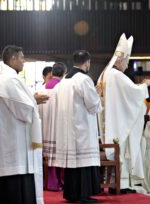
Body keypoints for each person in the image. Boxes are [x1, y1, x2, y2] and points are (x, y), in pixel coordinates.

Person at [97, 33, 150, 192]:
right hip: (117, 124)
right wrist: (145, 86)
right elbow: (133, 95)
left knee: (122, 149)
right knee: (123, 148)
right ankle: (121, 185)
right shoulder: (116, 75)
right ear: (120, 59)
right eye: (127, 61)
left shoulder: (106, 74)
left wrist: (139, 87)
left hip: (110, 123)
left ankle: (121, 183)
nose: (128, 65)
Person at [0, 45, 43, 204]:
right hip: (15, 142)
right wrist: (35, 101)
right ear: (12, 58)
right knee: (17, 180)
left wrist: (32, 100)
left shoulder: (8, 77)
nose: (23, 61)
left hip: (14, 138)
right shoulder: (9, 79)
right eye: (21, 58)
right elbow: (23, 109)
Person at [55, 50, 102, 203]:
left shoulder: (64, 81)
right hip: (82, 129)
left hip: (68, 130)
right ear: (87, 62)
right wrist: (98, 94)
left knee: (73, 164)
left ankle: (71, 193)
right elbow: (93, 105)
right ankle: (83, 195)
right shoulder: (84, 79)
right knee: (83, 163)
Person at [39, 62, 67, 191]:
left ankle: (47, 182)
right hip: (57, 128)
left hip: (43, 129)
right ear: (64, 73)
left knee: (46, 154)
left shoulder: (42, 88)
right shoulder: (62, 88)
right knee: (58, 154)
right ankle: (59, 181)